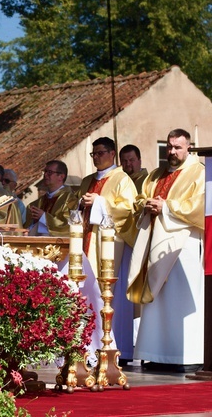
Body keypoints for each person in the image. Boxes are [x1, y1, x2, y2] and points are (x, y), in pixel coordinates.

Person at [127, 129, 205, 369]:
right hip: (155, 240)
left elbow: (200, 205)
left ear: (188, 148)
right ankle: (156, 353)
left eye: (177, 147)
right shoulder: (155, 175)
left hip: (184, 244)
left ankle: (186, 356)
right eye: (169, 147)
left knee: (179, 299)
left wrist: (167, 207)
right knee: (157, 301)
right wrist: (146, 204)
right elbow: (139, 198)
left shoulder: (198, 172)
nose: (172, 151)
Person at [76, 137, 137, 361]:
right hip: (85, 241)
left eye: (100, 153)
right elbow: (77, 207)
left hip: (107, 246)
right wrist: (81, 204)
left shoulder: (122, 179)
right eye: (94, 154)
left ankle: (110, 347)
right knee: (83, 293)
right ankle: (85, 346)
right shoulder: (87, 181)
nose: (96, 158)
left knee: (105, 295)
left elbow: (127, 210)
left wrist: (100, 203)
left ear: (112, 154)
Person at [27, 160, 77, 236]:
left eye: (50, 172)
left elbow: (67, 225)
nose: (45, 175)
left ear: (61, 176)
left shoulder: (71, 199)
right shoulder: (37, 203)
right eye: (45, 172)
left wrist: (44, 217)